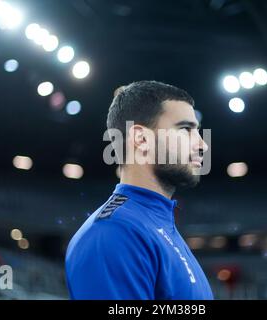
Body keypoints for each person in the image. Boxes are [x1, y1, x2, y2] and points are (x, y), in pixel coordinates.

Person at [66, 80, 213, 299]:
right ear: (141, 139)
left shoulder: (156, 225)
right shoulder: (113, 233)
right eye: (185, 129)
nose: (203, 145)